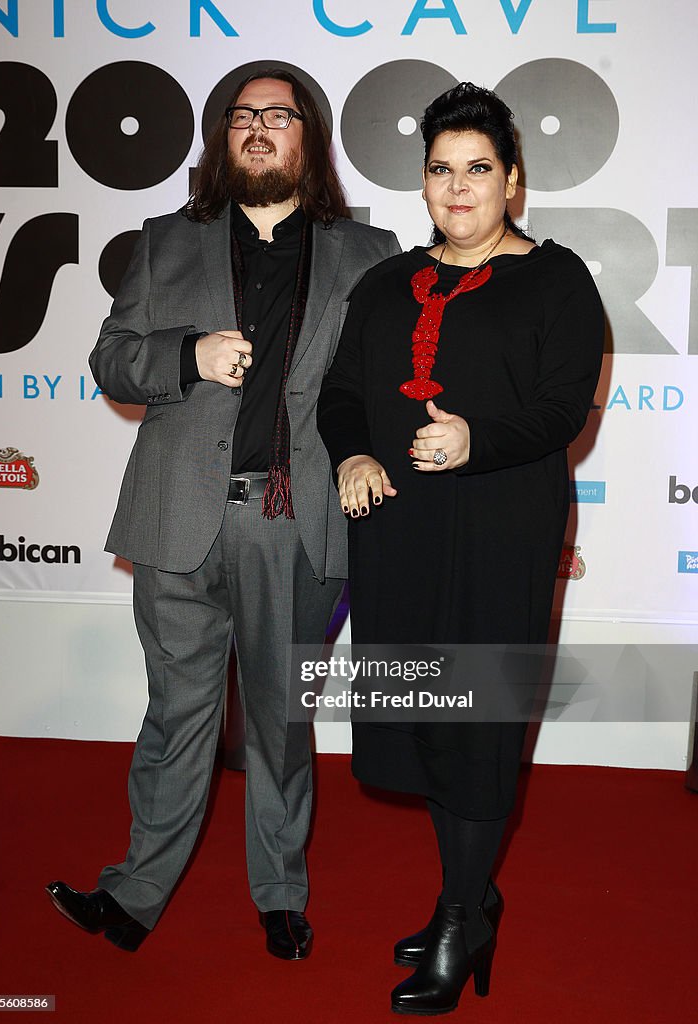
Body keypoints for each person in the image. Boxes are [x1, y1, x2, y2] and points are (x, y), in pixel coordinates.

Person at [46, 69, 399, 959]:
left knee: (283, 721)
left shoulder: (370, 253)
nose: (258, 129)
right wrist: (186, 353)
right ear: (222, 138)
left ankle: (280, 891)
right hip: (177, 520)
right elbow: (111, 361)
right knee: (176, 714)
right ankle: (132, 895)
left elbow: (388, 386)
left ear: (307, 138)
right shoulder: (165, 241)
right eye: (243, 116)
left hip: (298, 521)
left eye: (278, 116)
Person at [317, 82, 603, 1014]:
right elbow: (342, 394)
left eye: (478, 169)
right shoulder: (385, 283)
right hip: (398, 532)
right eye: (441, 171)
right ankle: (468, 899)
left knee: (477, 725)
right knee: (432, 717)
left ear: (512, 181)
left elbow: (562, 408)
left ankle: (460, 915)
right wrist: (354, 449)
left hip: (500, 531)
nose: (458, 188)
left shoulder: (558, 280)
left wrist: (478, 436)